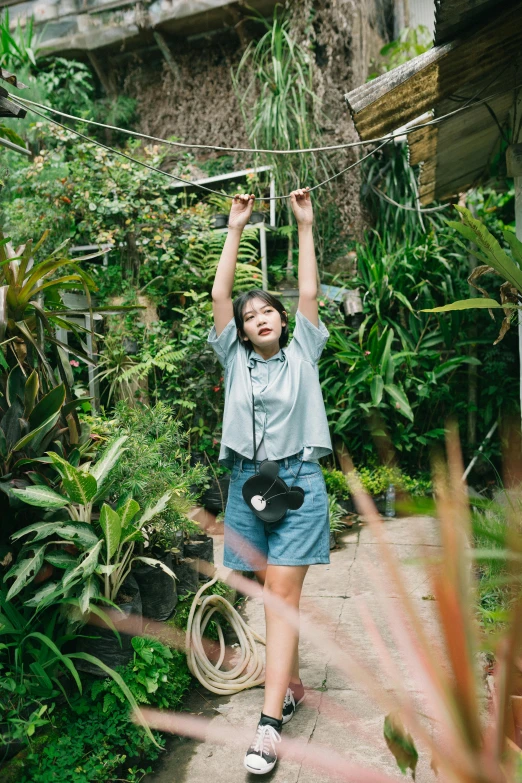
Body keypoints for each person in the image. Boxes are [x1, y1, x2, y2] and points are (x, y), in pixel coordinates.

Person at [207, 187, 332, 775]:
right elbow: (220, 294)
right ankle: (291, 682)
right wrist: (235, 229)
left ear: (284, 321)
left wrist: (305, 225)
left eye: (268, 312)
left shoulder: (304, 351)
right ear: (241, 329)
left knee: (282, 595)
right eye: (250, 315)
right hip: (246, 486)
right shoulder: (233, 358)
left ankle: (268, 725)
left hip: (299, 482)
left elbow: (309, 289)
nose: (258, 318)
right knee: (271, 595)